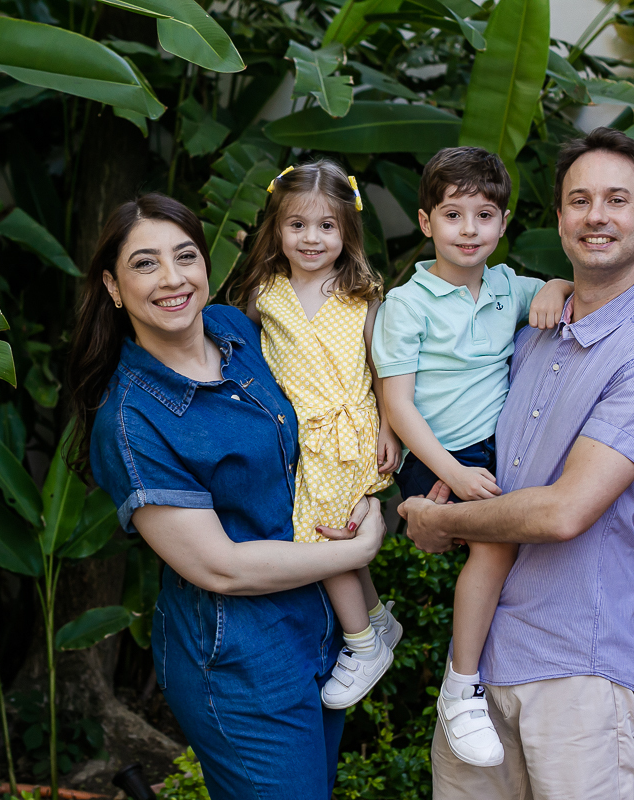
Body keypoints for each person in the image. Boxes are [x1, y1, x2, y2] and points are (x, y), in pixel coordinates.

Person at [399, 127, 634, 799]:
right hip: (478, 673)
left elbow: (565, 511)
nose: (597, 216)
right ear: (560, 220)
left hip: (577, 673)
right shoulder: (531, 333)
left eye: (617, 200)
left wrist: (444, 521)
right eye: (580, 200)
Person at [68, 194, 387, 800]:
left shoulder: (236, 329)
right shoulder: (132, 420)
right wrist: (358, 548)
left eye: (185, 256)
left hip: (320, 628)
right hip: (240, 660)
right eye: (145, 263)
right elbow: (221, 567)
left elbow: (330, 395)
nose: (172, 278)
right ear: (112, 286)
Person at [371, 146, 572, 766]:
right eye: (453, 215)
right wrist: (452, 472)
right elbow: (398, 404)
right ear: (426, 221)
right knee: (495, 545)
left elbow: (565, 289)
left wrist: (558, 285)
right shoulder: (408, 304)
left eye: (484, 216)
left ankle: (481, 677)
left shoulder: (508, 286)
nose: (468, 230)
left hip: (493, 451)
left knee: (518, 543)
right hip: (435, 453)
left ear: (503, 224)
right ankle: (460, 690)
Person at [234, 160, 403, 711]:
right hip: (299, 440)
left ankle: (363, 646)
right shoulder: (266, 291)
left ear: (347, 231)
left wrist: (391, 431)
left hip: (346, 438)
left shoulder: (361, 294)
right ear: (277, 230)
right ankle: (378, 621)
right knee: (342, 538)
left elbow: (383, 370)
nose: (312, 238)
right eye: (298, 225)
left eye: (327, 226)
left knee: (322, 540)